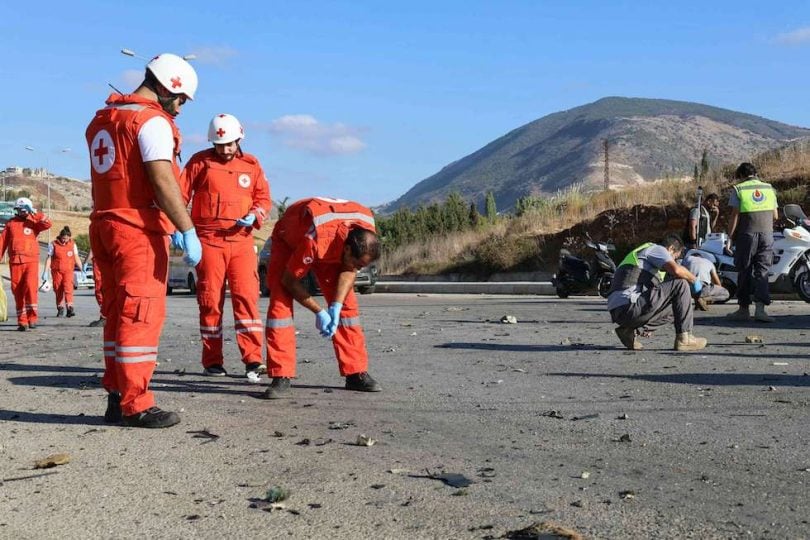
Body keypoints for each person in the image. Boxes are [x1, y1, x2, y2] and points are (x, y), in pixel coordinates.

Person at [85, 53, 202, 429]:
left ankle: (116, 398)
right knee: (140, 316)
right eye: (181, 99)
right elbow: (161, 180)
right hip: (136, 230)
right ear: (168, 87)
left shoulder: (103, 118)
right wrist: (186, 227)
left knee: (118, 317)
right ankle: (136, 404)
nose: (181, 109)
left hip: (104, 224)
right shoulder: (151, 121)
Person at [179, 113, 271, 381]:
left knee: (246, 299)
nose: (225, 149)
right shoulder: (200, 162)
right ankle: (212, 361)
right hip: (208, 241)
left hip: (241, 241)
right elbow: (180, 195)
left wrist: (256, 213)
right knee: (210, 301)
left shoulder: (252, 165)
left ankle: (253, 360)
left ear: (239, 139)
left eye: (230, 144)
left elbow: (264, 198)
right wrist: (179, 229)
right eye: (220, 145)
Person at [261, 197, 382, 398]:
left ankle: (355, 373)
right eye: (358, 264)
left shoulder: (366, 230)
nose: (359, 269)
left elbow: (349, 268)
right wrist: (319, 311)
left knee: (347, 307)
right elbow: (290, 281)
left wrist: (335, 305)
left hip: (332, 243)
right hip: (289, 240)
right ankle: (281, 375)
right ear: (348, 249)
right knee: (280, 304)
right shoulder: (314, 238)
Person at [607, 234, 707, 351]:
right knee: (681, 283)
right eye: (674, 257)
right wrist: (694, 280)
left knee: (679, 307)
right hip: (629, 305)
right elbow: (677, 270)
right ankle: (685, 339)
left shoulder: (646, 261)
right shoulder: (656, 249)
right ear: (670, 249)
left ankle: (629, 331)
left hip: (620, 311)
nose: (674, 261)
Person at [725, 162, 778, 322]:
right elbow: (775, 215)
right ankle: (760, 311)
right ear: (755, 174)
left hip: (747, 235)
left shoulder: (739, 189)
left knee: (744, 269)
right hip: (767, 234)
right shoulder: (769, 188)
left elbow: (735, 216)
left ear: (741, 175)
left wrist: (729, 237)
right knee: (762, 271)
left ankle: (743, 309)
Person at [0, 197, 52, 331]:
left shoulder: (34, 222)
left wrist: (34, 212)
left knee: (30, 287)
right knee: (17, 290)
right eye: (20, 210)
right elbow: (2, 243)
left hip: (31, 262)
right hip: (16, 262)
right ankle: (22, 321)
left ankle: (32, 318)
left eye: (24, 210)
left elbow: (47, 224)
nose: (22, 212)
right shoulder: (11, 224)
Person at [42, 226, 83, 317]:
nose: (65, 240)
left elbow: (76, 258)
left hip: (68, 271)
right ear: (60, 236)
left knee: (68, 288)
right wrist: (45, 271)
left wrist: (82, 269)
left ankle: (70, 308)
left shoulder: (72, 244)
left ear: (69, 238)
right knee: (58, 289)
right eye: (63, 238)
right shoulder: (53, 244)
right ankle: (60, 308)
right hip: (57, 271)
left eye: (67, 239)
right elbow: (49, 258)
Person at [82, 244, 106, 327]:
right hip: (107, 269)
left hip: (100, 269)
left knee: (100, 292)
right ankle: (106, 316)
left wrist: (85, 263)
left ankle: (105, 316)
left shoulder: (99, 237)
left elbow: (91, 251)